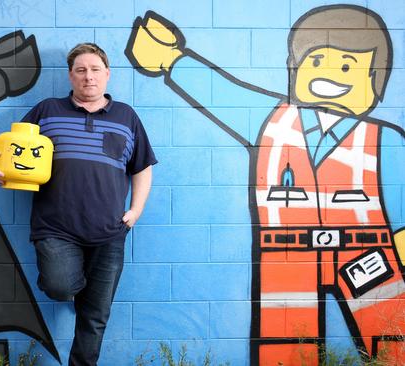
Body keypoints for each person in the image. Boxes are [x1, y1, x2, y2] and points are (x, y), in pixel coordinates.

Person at [126, 5, 405, 365]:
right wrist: (170, 59)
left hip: (366, 253)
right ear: (295, 68)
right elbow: (222, 92)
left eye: (350, 65)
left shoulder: (386, 140)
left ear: (375, 79)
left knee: (392, 339)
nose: (330, 74)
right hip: (287, 253)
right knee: (284, 347)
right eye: (315, 61)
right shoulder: (268, 118)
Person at [0, 43, 156, 365]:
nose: (89, 77)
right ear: (71, 75)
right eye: (81, 70)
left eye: (95, 70)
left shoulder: (126, 116)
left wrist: (136, 211)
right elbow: (10, 146)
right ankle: (82, 289)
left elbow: (142, 167)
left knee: (95, 317)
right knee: (60, 287)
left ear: (107, 74)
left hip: (110, 230)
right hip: (56, 228)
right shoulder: (48, 110)